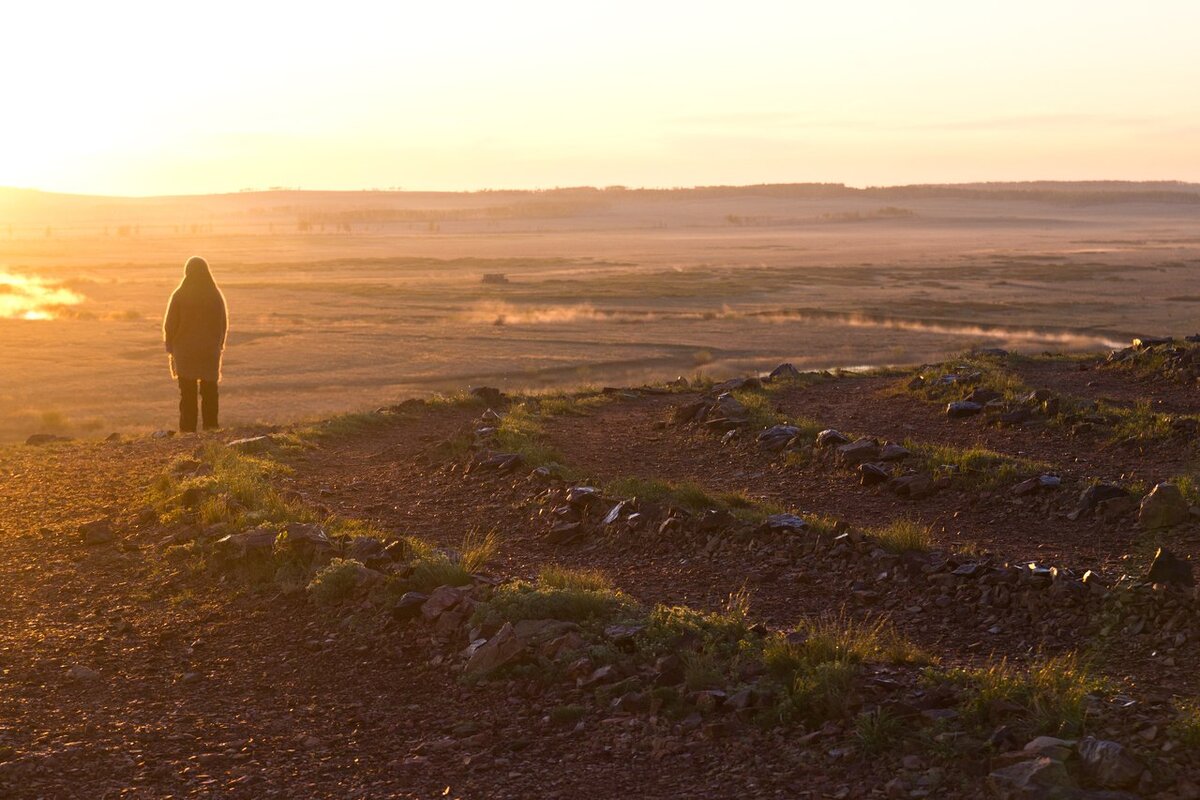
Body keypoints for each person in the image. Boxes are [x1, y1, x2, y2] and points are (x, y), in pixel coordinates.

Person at [163, 256, 228, 432]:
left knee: (187, 393)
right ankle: (211, 428)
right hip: (209, 352)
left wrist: (170, 346)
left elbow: (170, 325)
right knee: (210, 391)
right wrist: (219, 345)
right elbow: (223, 323)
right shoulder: (215, 295)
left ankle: (187, 431)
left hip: (185, 352)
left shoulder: (180, 294)